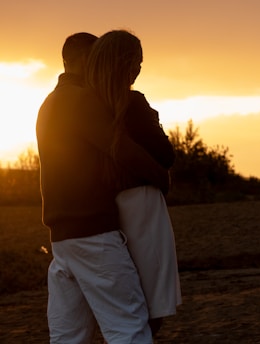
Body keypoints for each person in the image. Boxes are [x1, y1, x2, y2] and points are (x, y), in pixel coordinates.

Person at [37, 32, 168, 343]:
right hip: (93, 235)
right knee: (129, 327)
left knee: (69, 335)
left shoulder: (50, 103)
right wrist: (161, 177)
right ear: (85, 60)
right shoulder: (79, 100)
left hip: (64, 240)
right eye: (97, 58)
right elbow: (119, 147)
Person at [86, 29, 182, 336]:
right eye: (137, 62)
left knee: (123, 297)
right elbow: (165, 154)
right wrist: (154, 119)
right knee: (153, 297)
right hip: (142, 205)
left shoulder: (90, 106)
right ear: (126, 63)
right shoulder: (135, 104)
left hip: (108, 208)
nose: (139, 69)